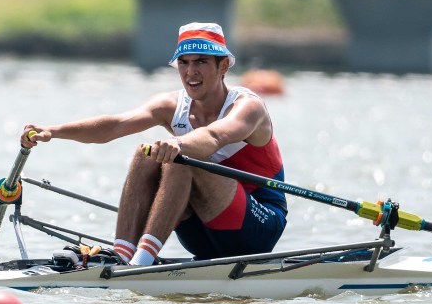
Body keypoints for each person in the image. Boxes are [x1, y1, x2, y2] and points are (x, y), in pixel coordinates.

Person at [20, 22, 287, 266]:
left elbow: (214, 137)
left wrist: (178, 144)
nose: (191, 72)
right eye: (183, 63)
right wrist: (53, 131)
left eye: (201, 62)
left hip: (257, 228)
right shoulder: (170, 105)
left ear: (224, 66)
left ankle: (141, 263)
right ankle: (123, 254)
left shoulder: (248, 107)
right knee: (145, 153)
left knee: (181, 158)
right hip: (202, 234)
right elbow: (115, 125)